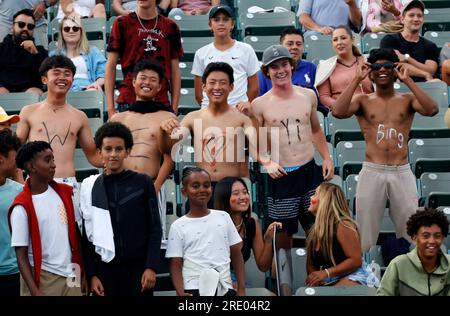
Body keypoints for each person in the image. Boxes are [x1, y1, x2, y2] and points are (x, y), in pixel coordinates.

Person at [332, 48, 438, 252]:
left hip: (401, 170)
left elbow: (432, 109)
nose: (382, 70)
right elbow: (337, 111)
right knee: (365, 230)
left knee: (411, 228)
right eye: (377, 66)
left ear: (395, 69)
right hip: (373, 169)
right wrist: (356, 79)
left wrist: (408, 81)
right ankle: (364, 274)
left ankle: (412, 273)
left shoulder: (407, 99)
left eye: (388, 66)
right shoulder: (363, 100)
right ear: (370, 71)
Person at [249, 45, 334, 250]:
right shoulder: (259, 104)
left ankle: (316, 277)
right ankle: (284, 283)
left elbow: (315, 130)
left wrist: (327, 157)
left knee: (316, 230)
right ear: (266, 72)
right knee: (282, 234)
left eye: (284, 64)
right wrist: (267, 162)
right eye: (274, 67)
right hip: (282, 176)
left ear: (292, 66)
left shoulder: (308, 96)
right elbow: (253, 144)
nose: (280, 70)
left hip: (309, 171)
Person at [80, 121, 162, 296]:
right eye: (108, 149)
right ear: (99, 152)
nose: (113, 154)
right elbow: (86, 236)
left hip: (139, 271)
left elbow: (155, 228)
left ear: (128, 151)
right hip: (105, 272)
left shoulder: (143, 182)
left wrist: (151, 267)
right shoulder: (90, 187)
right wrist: (92, 274)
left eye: (119, 149)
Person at [110, 60, 176, 253]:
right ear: (133, 82)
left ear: (160, 86)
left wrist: (155, 188)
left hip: (151, 184)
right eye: (143, 78)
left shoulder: (168, 118)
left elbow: (170, 158)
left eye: (153, 79)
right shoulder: (118, 119)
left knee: (150, 241)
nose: (147, 82)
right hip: (120, 187)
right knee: (119, 238)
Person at [160, 62, 255, 194]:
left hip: (232, 188)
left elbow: (258, 145)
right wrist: (166, 131)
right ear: (204, 86)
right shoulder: (192, 118)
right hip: (204, 188)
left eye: (223, 83)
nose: (217, 87)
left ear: (231, 87)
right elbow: (170, 146)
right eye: (212, 82)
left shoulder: (241, 118)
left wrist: (253, 117)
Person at [9, 141, 83, 296]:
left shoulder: (66, 193)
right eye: (47, 160)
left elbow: (76, 236)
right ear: (31, 167)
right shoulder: (21, 207)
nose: (54, 165)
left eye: (53, 159)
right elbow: (21, 256)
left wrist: (81, 274)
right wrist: (35, 291)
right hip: (44, 277)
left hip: (71, 273)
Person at [16, 55, 100, 180]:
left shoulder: (80, 116)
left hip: (68, 184)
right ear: (44, 79)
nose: (62, 78)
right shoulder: (28, 112)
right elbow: (16, 153)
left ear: (72, 79)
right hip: (36, 184)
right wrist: (20, 182)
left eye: (67, 74)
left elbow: (93, 156)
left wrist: (124, 161)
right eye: (56, 73)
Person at [166, 167, 245, 296]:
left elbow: (236, 253)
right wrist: (180, 292)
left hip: (224, 287)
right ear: (184, 191)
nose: (202, 190)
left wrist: (241, 289)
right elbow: (175, 264)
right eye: (195, 186)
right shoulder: (178, 226)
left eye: (206, 185)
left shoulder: (223, 217)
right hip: (193, 289)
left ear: (211, 189)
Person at [106, 0, 183, 116]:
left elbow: (175, 71)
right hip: (129, 100)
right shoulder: (122, 23)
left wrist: (174, 108)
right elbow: (110, 67)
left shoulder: (170, 27)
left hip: (160, 101)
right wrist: (111, 109)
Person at [306, 182, 378, 287]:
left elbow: (355, 260)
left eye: (316, 194)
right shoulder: (314, 232)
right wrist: (315, 278)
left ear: (325, 201)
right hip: (331, 279)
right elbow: (311, 265)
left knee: (339, 289)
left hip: (354, 277)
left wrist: (326, 273)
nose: (311, 197)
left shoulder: (343, 225)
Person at [192, 5, 259, 109]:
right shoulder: (201, 53)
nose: (221, 23)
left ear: (232, 24)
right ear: (210, 24)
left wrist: (242, 106)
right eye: (216, 20)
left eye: (225, 19)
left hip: (238, 112)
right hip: (209, 112)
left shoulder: (247, 50)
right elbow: (198, 92)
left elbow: (254, 87)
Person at [214, 177, 282, 276]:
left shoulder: (251, 224)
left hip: (238, 278)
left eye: (245, 192)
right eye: (236, 193)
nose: (243, 197)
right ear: (224, 197)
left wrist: (268, 240)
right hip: (213, 279)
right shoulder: (214, 224)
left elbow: (263, 266)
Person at [377, 208, 450, 296]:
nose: (432, 241)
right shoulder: (398, 264)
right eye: (425, 236)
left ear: (442, 238)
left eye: (437, 236)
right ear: (414, 238)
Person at [380, 0, 440, 82]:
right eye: (411, 15)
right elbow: (397, 67)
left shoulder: (430, 46)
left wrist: (407, 58)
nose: (416, 19)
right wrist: (424, 73)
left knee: (436, 82)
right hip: (398, 85)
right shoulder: (390, 40)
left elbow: (431, 71)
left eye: (419, 16)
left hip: (425, 87)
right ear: (402, 19)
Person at [315, 25, 373, 110]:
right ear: (332, 44)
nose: (339, 42)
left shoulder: (367, 61)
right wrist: (344, 108)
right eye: (335, 40)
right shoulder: (325, 66)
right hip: (342, 114)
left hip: (369, 109)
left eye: (343, 38)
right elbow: (324, 97)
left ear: (352, 40)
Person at [50, 13, 106, 92]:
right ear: (62, 33)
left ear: (81, 31)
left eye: (75, 28)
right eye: (67, 29)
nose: (71, 31)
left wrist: (96, 84)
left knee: (93, 91)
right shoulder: (54, 55)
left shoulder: (93, 51)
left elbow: (103, 74)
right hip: (63, 91)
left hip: (87, 89)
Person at [0, 9, 47, 95]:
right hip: (3, 87)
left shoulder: (39, 51)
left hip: (29, 88)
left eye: (30, 27)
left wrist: (35, 53)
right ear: (12, 27)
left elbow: (46, 74)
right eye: (21, 25)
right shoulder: (1, 48)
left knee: (35, 93)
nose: (25, 28)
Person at [0, 130, 22, 296]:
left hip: (16, 274)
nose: (19, 163)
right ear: (1, 159)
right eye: (15, 159)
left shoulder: (20, 192)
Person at [297, 0, 362, 36]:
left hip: (344, 33)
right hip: (318, 33)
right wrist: (320, 29)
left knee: (354, 37)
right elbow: (303, 17)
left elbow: (357, 23)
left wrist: (352, 4)